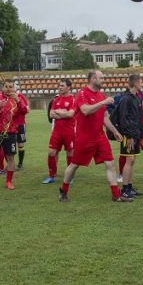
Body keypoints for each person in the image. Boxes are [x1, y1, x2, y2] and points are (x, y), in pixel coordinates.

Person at [58, 70, 127, 203]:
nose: (103, 80)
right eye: (101, 78)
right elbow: (85, 110)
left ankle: (116, 195)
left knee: (110, 164)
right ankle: (64, 191)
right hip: (84, 138)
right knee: (74, 165)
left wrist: (114, 131)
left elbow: (105, 117)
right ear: (93, 79)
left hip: (100, 137)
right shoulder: (82, 93)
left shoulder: (101, 95)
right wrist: (103, 102)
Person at [113, 75, 143, 186]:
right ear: (135, 83)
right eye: (141, 82)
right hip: (128, 130)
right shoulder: (123, 97)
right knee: (128, 155)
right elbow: (116, 111)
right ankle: (123, 179)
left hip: (141, 128)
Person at [0, 81, 27, 191]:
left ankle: (9, 181)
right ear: (2, 88)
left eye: (10, 87)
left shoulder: (18, 98)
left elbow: (25, 111)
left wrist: (18, 101)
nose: (8, 89)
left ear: (14, 88)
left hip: (11, 132)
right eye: (6, 86)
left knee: (10, 157)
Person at [113, 74, 143, 199]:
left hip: (135, 134)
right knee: (129, 160)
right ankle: (125, 189)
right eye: (141, 82)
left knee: (132, 160)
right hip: (128, 135)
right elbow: (123, 119)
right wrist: (129, 135)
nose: (142, 84)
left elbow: (139, 119)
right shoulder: (125, 99)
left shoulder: (137, 98)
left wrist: (141, 136)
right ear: (136, 83)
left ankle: (129, 187)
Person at [44, 79, 76, 184]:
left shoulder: (73, 100)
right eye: (59, 85)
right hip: (56, 131)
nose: (60, 87)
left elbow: (70, 114)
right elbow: (51, 114)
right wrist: (63, 113)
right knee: (51, 152)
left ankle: (70, 177)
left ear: (69, 87)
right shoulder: (56, 100)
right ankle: (52, 176)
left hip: (69, 131)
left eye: (62, 85)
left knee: (70, 153)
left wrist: (59, 112)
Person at [14, 89, 29, 171]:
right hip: (9, 125)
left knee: (20, 144)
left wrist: (18, 101)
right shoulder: (5, 97)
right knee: (8, 145)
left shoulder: (21, 96)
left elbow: (27, 110)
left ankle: (20, 164)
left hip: (20, 124)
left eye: (11, 87)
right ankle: (10, 163)